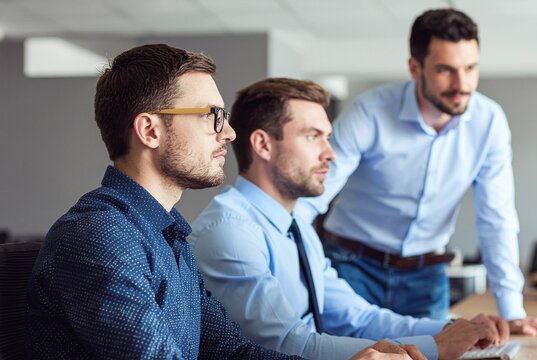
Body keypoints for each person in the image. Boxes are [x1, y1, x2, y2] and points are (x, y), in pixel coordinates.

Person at [26, 44, 422, 360]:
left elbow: (231, 350)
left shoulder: (167, 232)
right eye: (212, 116)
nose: (229, 133)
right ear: (149, 130)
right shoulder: (99, 237)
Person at [188, 77, 509, 360]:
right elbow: (285, 346)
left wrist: (453, 328)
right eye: (313, 136)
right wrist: (435, 346)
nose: (330, 153)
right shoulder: (231, 232)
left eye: (328, 137)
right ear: (263, 145)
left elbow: (355, 316)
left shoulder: (297, 227)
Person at [293, 8, 537, 335]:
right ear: (415, 68)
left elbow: (496, 218)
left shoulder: (489, 122)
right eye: (446, 70)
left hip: (426, 275)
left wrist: (512, 311)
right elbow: (312, 194)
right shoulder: (370, 112)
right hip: (351, 265)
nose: (462, 84)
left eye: (470, 68)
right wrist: (289, 258)